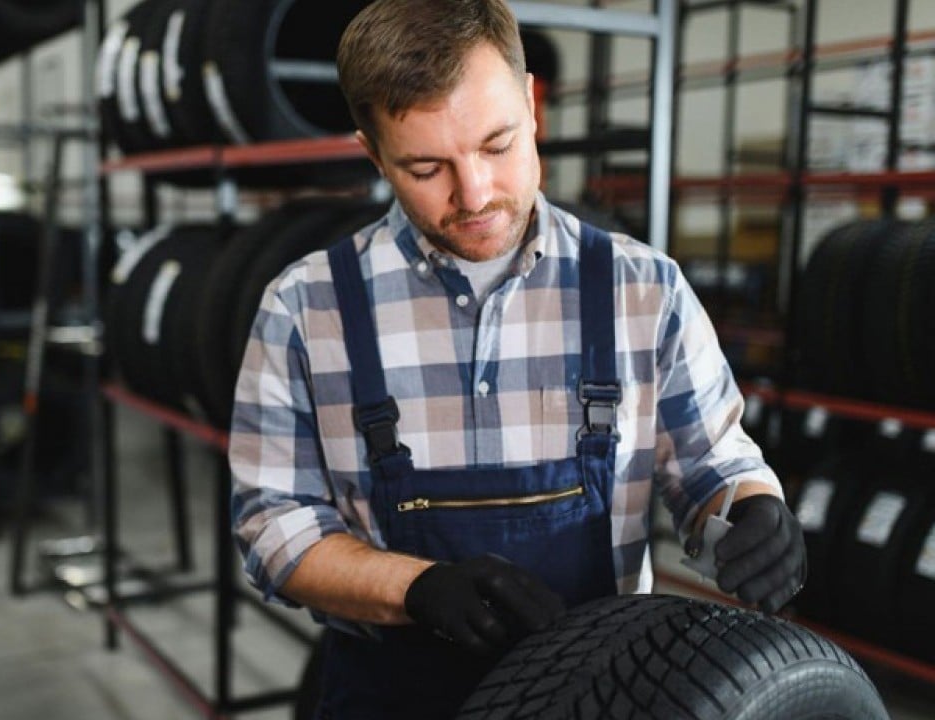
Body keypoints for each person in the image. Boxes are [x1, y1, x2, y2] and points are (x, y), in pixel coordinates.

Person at [229, 1, 806, 717]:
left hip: (594, 699)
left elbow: (711, 464)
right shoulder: (304, 308)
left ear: (531, 106)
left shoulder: (642, 289)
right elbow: (273, 524)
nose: (474, 194)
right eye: (426, 167)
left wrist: (751, 509)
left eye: (497, 145)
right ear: (373, 153)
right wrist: (415, 588)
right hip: (390, 699)